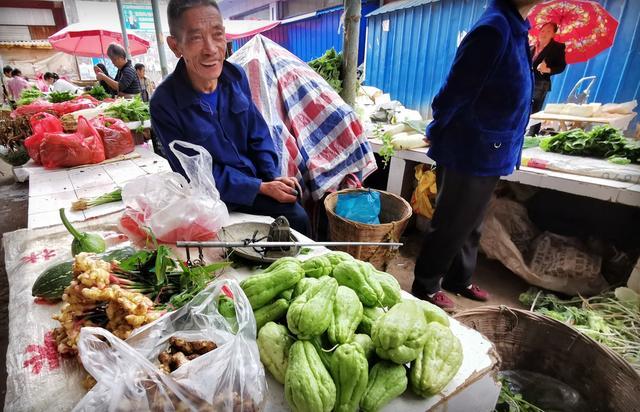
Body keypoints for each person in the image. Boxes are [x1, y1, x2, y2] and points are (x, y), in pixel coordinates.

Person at [412, 0, 544, 310]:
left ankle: (460, 277)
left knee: (472, 222)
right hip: (469, 147)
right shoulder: (493, 29)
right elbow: (454, 92)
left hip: (492, 148)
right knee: (453, 221)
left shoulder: (516, 28)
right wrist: (438, 130)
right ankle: (426, 285)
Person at [150, 0, 311, 235]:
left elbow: (259, 134)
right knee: (296, 218)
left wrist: (272, 177)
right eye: (196, 38)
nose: (211, 49)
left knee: (295, 194)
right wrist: (260, 187)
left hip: (256, 182)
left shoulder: (235, 76)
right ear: (175, 46)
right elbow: (196, 173)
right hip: (215, 196)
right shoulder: (164, 103)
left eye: (217, 35)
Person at [528, 22, 567, 136]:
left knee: (535, 110)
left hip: (541, 82)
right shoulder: (531, 46)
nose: (544, 33)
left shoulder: (557, 48)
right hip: (526, 80)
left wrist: (547, 69)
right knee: (522, 107)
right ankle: (520, 131)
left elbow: (561, 67)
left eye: (549, 31)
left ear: (553, 34)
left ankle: (532, 134)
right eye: (543, 30)